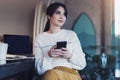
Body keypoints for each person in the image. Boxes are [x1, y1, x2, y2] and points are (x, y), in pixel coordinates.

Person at [33, 2, 86, 80]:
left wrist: (70, 56)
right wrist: (49, 56)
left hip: (70, 74)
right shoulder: (40, 38)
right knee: (50, 74)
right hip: (50, 74)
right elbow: (39, 70)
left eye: (64, 14)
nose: (62, 17)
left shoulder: (71, 35)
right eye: (58, 13)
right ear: (49, 16)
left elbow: (82, 64)